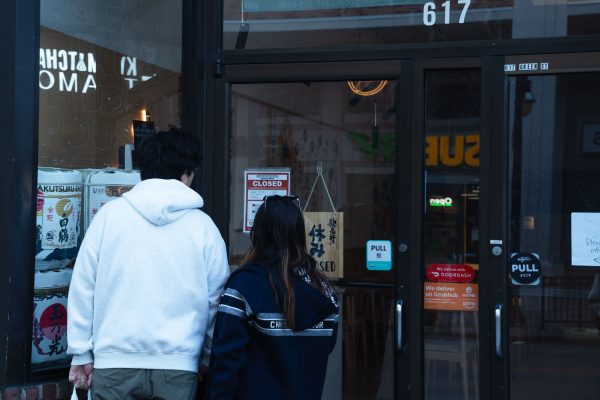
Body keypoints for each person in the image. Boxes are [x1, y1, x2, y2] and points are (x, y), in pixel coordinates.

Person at [67, 127, 230, 400]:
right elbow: (217, 300)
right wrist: (208, 355)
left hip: (113, 363)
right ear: (186, 174)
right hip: (179, 366)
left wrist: (82, 350)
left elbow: (83, 286)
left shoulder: (109, 217)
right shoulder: (203, 227)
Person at [205, 195, 339, 400]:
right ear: (299, 234)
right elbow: (325, 348)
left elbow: (226, 360)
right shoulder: (324, 290)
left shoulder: (245, 285)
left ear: (258, 234)